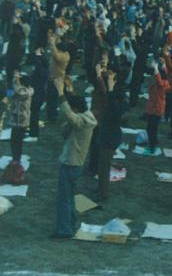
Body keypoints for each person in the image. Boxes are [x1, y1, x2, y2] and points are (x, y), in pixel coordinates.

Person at [51, 77, 97, 239]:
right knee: (69, 196)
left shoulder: (81, 121)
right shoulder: (87, 117)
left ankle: (64, 229)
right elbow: (74, 109)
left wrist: (60, 93)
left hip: (71, 162)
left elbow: (70, 115)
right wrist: (69, 90)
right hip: (76, 163)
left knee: (64, 198)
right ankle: (70, 224)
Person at [96, 70, 124, 201]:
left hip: (109, 137)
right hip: (110, 136)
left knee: (104, 167)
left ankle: (103, 193)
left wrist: (111, 87)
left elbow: (110, 100)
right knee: (103, 165)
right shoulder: (119, 103)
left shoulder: (116, 106)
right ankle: (101, 189)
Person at [144, 58, 172, 155]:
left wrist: (156, 68)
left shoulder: (162, 84)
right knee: (152, 128)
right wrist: (162, 66)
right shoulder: (163, 83)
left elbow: (159, 80)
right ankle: (154, 142)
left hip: (156, 109)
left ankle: (152, 146)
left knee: (151, 129)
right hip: (154, 108)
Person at [6, 72, 33, 165]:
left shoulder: (28, 91)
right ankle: (15, 158)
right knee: (13, 141)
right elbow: (10, 95)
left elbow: (20, 92)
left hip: (22, 122)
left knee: (18, 142)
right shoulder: (19, 90)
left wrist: (16, 80)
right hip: (15, 120)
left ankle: (17, 159)